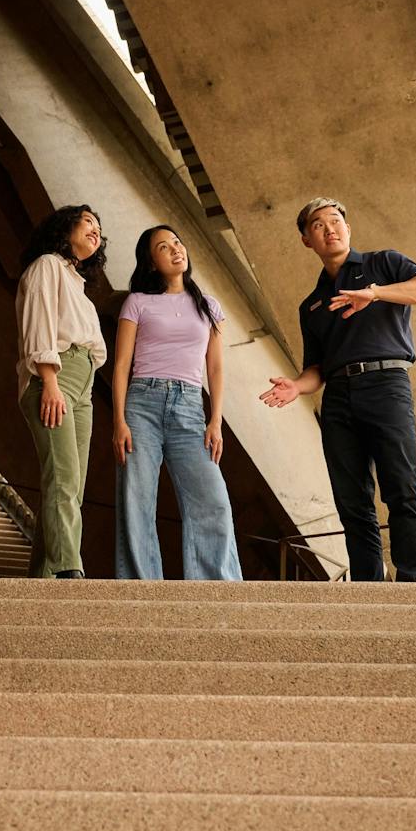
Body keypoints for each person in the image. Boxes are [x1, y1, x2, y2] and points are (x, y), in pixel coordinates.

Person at [259, 198, 416, 582]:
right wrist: (297, 386)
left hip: (386, 384)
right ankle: (368, 589)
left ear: (348, 228)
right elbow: (317, 368)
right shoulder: (312, 304)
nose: (330, 228)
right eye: (318, 225)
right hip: (338, 398)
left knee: (402, 487)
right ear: (306, 240)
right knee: (352, 502)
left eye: (335, 220)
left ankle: (412, 588)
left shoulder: (384, 263)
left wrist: (374, 294)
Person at [109, 225, 242, 580]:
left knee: (213, 499)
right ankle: (141, 589)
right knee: (136, 500)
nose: (175, 249)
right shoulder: (137, 302)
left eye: (177, 242)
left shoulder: (208, 305)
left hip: (190, 407)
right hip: (142, 405)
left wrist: (216, 421)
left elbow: (215, 367)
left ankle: (217, 589)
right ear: (152, 262)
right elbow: (121, 365)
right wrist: (119, 421)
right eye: (163, 247)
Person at [16, 204, 108, 579]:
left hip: (83, 385)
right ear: (64, 228)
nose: (95, 229)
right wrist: (50, 381)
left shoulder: (78, 286)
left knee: (70, 486)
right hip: (55, 376)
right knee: (64, 480)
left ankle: (43, 576)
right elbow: (38, 323)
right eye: (87, 222)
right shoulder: (47, 266)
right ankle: (69, 570)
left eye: (98, 227)